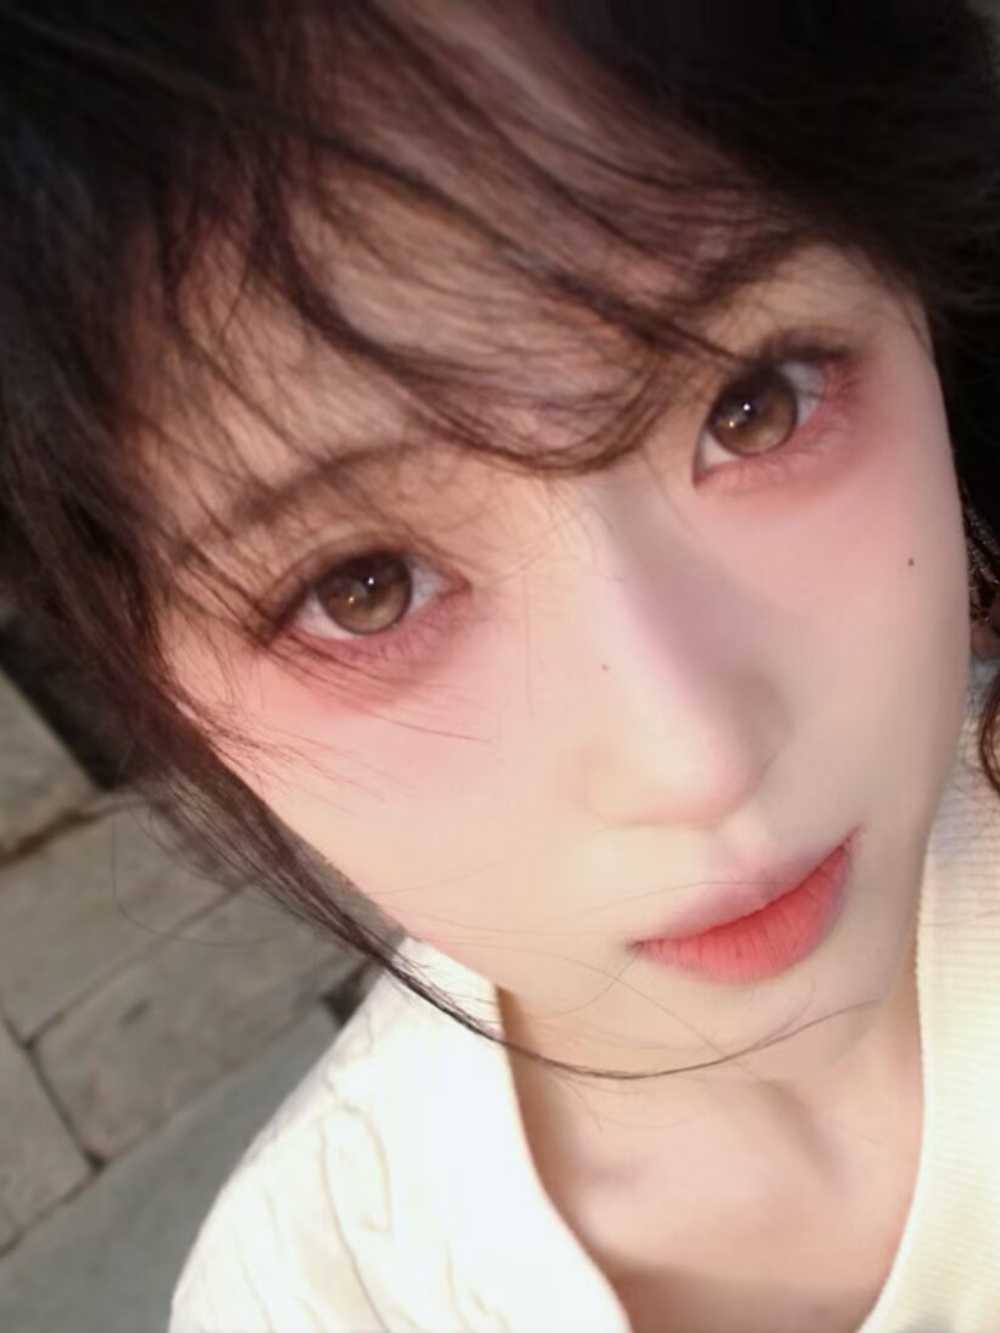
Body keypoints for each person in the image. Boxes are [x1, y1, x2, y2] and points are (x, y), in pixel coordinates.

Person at [2, 2, 1000, 1329]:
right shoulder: (321, 1293)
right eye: (362, 588)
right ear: (159, 687)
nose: (694, 757)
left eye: (755, 404)